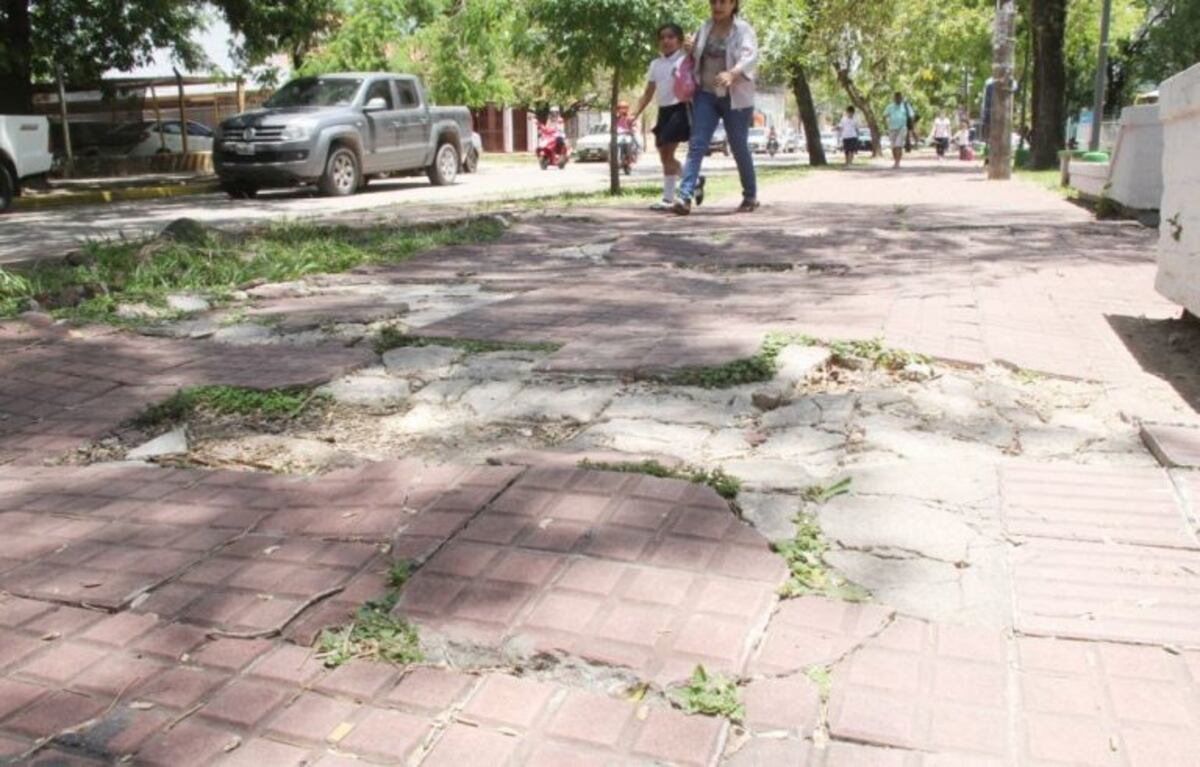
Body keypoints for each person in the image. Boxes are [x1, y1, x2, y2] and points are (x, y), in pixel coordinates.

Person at [672, 0, 759, 216]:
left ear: (733, 4)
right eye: (713, 1)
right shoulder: (705, 27)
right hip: (706, 94)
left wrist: (732, 74)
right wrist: (690, 49)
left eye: (722, 2)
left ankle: (750, 196)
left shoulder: (744, 30)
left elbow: (750, 57)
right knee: (697, 144)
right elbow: (695, 57)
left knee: (739, 146)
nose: (717, 6)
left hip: (735, 98)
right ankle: (684, 196)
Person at [633, 23, 691, 210]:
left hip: (680, 108)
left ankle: (678, 192)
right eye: (662, 37)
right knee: (663, 155)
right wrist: (634, 115)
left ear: (680, 41)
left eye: (671, 37)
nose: (666, 41)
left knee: (668, 153)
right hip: (664, 111)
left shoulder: (686, 59)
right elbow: (648, 93)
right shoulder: (655, 64)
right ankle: (687, 185)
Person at [883, 92, 913, 168]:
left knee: (898, 145)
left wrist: (911, 128)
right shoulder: (890, 107)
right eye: (896, 98)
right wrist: (886, 126)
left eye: (899, 98)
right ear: (894, 98)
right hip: (892, 128)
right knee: (893, 146)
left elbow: (911, 116)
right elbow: (884, 116)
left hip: (902, 128)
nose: (898, 99)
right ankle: (895, 160)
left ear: (902, 98)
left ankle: (897, 162)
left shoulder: (906, 106)